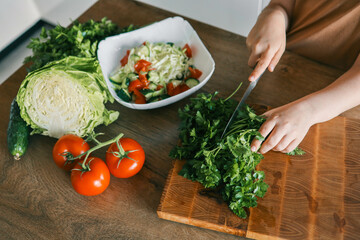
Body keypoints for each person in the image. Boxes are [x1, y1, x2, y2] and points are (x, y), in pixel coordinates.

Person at [247, 0, 360, 154]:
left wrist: (308, 110)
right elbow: (281, 5)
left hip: (339, 97)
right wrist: (273, 16)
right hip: (282, 68)